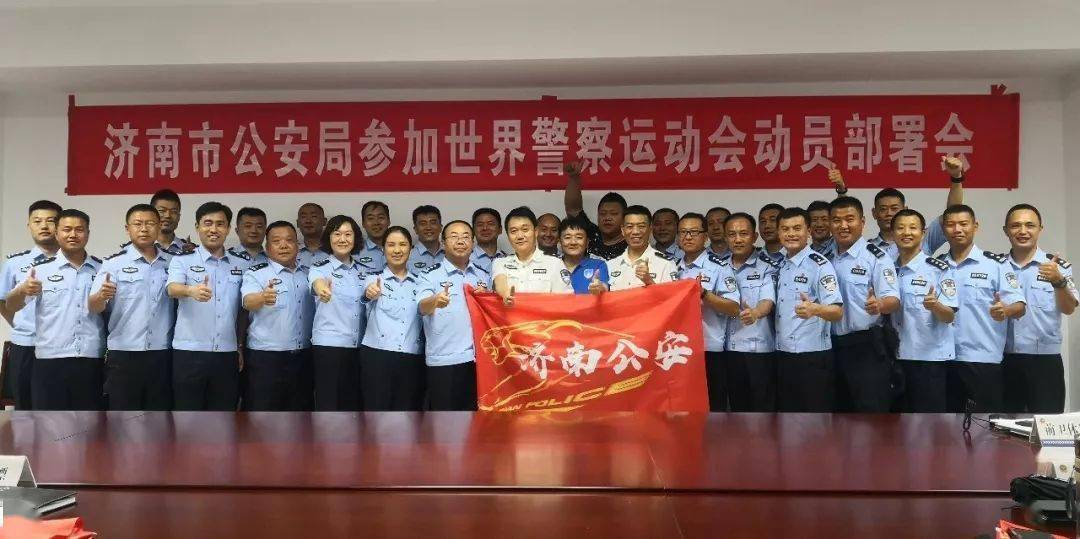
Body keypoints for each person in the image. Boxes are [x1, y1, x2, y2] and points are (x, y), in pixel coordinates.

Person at [5, 209, 103, 410]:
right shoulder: (39, 270)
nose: (73, 234)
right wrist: (22, 290)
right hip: (50, 360)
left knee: (89, 423)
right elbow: (11, 305)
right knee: (48, 422)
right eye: (67, 229)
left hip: (91, 358)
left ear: (88, 233)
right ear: (57, 234)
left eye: (79, 229)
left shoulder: (103, 269)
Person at [938, 204, 1026, 413]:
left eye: (963, 224)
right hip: (942, 360)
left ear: (975, 226)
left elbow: (1020, 306)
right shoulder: (934, 265)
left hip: (982, 360)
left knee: (984, 426)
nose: (957, 229)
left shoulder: (995, 264)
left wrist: (1005, 311)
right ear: (943, 229)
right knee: (944, 426)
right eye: (951, 224)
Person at [89, 204, 175, 411]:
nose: (144, 229)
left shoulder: (172, 263)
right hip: (124, 354)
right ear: (127, 229)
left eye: (150, 223)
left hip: (162, 352)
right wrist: (101, 296)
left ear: (159, 227)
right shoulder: (113, 264)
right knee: (122, 418)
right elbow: (93, 306)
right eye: (138, 224)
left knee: (158, 417)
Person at [167, 202, 250, 411]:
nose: (214, 229)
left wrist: (239, 346)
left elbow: (244, 309)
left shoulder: (241, 264)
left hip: (227, 352)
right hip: (189, 352)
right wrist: (190, 291)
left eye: (220, 224)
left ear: (228, 229)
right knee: (187, 416)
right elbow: (172, 288)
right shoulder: (183, 260)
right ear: (197, 227)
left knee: (223, 416)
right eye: (208, 223)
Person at [826, 197, 900, 413]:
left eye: (849, 219)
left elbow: (893, 300)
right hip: (830, 346)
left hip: (865, 347)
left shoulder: (876, 258)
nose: (843, 225)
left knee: (870, 414)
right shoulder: (825, 258)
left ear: (863, 221)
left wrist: (879, 305)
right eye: (837, 220)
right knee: (836, 414)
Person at [1002, 204, 1077, 413]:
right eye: (1015, 225)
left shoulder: (1057, 267)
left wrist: (1058, 281)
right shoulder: (996, 267)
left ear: (1040, 229)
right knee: (1004, 425)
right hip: (1004, 359)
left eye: (1030, 225)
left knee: (1046, 426)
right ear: (1006, 230)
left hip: (1044, 362)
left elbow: (1069, 309)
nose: (1023, 231)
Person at [773, 207, 844, 412]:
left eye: (797, 228)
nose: (791, 234)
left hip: (812, 357)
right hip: (783, 354)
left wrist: (816, 309)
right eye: (785, 229)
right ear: (779, 233)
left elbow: (837, 311)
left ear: (809, 231)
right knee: (788, 418)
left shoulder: (820, 265)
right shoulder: (782, 264)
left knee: (814, 420)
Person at [417, 220, 492, 410]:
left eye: (466, 236)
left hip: (479, 361)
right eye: (454, 236)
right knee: (445, 422)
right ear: (443, 242)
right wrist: (435, 300)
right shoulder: (429, 275)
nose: (460, 241)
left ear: (473, 243)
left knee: (478, 419)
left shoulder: (483, 276)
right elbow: (421, 307)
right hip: (444, 361)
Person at [242, 221, 315, 411]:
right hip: (266, 359)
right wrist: (262, 297)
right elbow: (247, 301)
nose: (284, 245)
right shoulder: (256, 274)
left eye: (289, 240)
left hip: (303, 357)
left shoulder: (308, 275)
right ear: (267, 247)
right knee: (263, 415)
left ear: (297, 245)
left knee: (300, 414)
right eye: (276, 241)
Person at [890, 209, 958, 413]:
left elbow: (949, 316)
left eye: (912, 228)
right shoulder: (887, 269)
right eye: (900, 228)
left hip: (928, 360)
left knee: (929, 424)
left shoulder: (939, 269)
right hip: (894, 358)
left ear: (923, 232)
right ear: (892, 233)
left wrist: (935, 306)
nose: (906, 233)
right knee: (895, 423)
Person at [827, 159, 964, 259]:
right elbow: (845, 218)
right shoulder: (866, 248)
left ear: (905, 210)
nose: (889, 214)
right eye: (883, 209)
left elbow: (952, 215)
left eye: (894, 208)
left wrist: (956, 178)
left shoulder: (922, 239)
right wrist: (841, 190)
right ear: (874, 213)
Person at [674, 212, 740, 411]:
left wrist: (704, 294)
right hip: (678, 350)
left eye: (694, 232)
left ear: (705, 236)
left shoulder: (718, 267)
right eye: (683, 232)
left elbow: (734, 308)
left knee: (713, 410)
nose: (688, 237)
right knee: (681, 408)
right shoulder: (672, 267)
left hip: (709, 350)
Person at [0, 200, 61, 409]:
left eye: (50, 221)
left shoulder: (76, 262)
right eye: (37, 221)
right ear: (29, 225)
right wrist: (20, 325)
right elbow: (3, 301)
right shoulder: (15, 263)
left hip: (64, 349)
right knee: (25, 409)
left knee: (62, 410)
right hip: (27, 346)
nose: (44, 226)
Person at [360, 226, 425, 410]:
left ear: (411, 249)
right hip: (377, 357)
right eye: (391, 245)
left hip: (411, 357)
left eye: (403, 244)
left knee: (409, 414)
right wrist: (370, 292)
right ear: (383, 249)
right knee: (376, 413)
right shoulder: (373, 279)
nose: (397, 250)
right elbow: (367, 293)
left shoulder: (421, 283)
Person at [308, 215, 368, 411]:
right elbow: (317, 283)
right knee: (330, 405)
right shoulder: (319, 268)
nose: (343, 239)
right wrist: (322, 290)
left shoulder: (364, 272)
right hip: (329, 348)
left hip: (359, 347)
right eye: (337, 234)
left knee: (354, 404)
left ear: (355, 238)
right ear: (329, 238)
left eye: (348, 234)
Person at [722, 212, 778, 412]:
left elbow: (767, 301)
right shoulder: (719, 267)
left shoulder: (766, 267)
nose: (737, 239)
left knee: (762, 410)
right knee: (737, 409)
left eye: (743, 234)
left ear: (754, 237)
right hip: (728, 350)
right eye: (732, 234)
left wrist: (756, 313)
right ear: (725, 237)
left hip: (758, 351)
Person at [493, 206, 569, 304]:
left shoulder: (555, 264)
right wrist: (505, 294)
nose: (520, 236)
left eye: (525, 229)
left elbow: (565, 301)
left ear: (536, 232)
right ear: (508, 236)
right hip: (511, 313)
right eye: (514, 231)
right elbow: (500, 281)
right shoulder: (500, 262)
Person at [564, 161, 628, 260]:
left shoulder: (632, 244)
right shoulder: (590, 234)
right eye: (603, 213)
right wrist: (574, 177)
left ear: (625, 218)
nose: (607, 218)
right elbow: (573, 209)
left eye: (614, 214)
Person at [606, 205, 677, 291]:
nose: (635, 232)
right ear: (622, 230)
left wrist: (649, 282)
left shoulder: (666, 264)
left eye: (641, 226)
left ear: (650, 229)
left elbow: (673, 298)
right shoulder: (610, 265)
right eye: (630, 227)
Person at [557, 215, 609, 295]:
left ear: (587, 242)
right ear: (559, 242)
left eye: (579, 237)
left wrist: (600, 287)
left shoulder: (598, 265)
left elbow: (605, 287)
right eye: (567, 237)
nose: (573, 242)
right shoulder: (552, 265)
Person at [150, 189, 196, 254]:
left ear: (179, 217)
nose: (168, 216)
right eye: (162, 211)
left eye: (173, 212)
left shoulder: (193, 251)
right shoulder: (138, 249)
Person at [408, 205, 445, 271]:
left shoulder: (452, 254)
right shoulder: (407, 256)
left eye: (433, 223)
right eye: (423, 223)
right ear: (415, 229)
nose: (428, 227)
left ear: (440, 227)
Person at [470, 207, 506, 274]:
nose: (485, 228)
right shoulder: (465, 260)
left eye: (490, 224)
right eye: (480, 225)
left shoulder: (509, 260)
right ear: (473, 231)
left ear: (500, 229)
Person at [358, 200, 390, 271]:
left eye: (381, 217)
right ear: (363, 223)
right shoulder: (355, 252)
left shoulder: (402, 249)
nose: (376, 222)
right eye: (370, 218)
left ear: (388, 221)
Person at [296, 202, 329, 268]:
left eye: (314, 216)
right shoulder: (291, 252)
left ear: (324, 221)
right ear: (297, 223)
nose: (308, 221)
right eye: (303, 217)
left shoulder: (335, 250)